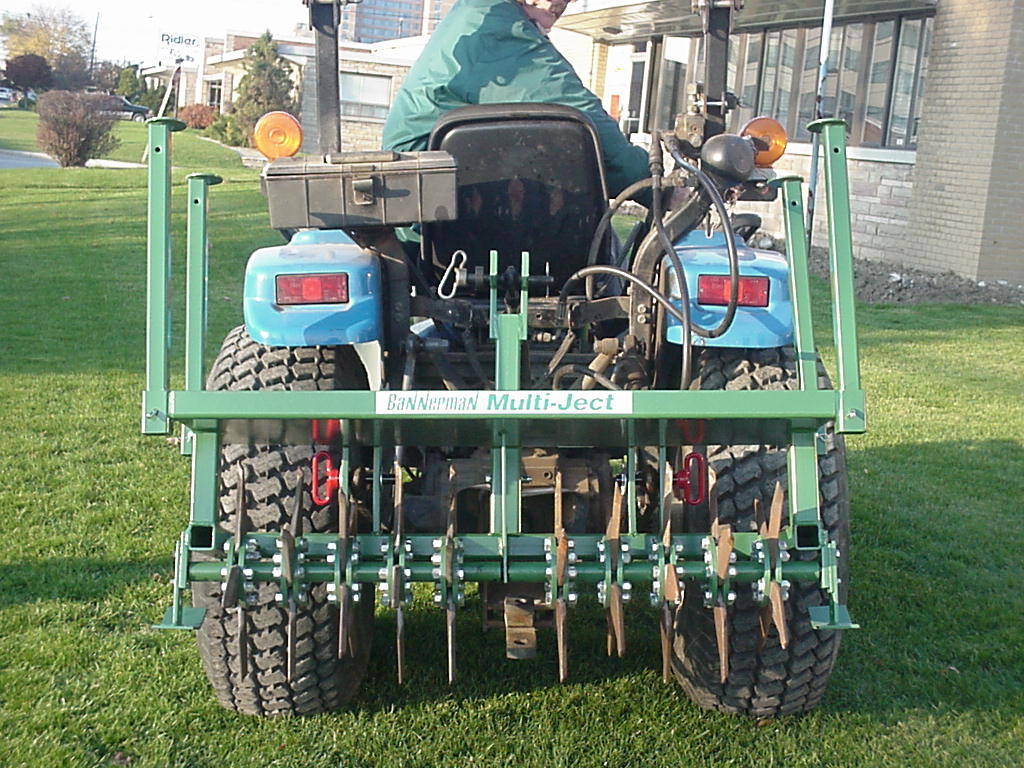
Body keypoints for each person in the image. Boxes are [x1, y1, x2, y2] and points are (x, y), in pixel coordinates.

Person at [381, 0, 650, 199]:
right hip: (428, 207)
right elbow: (581, 116)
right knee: (597, 242)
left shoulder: (481, 14)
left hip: (430, 194)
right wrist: (655, 184)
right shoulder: (497, 27)